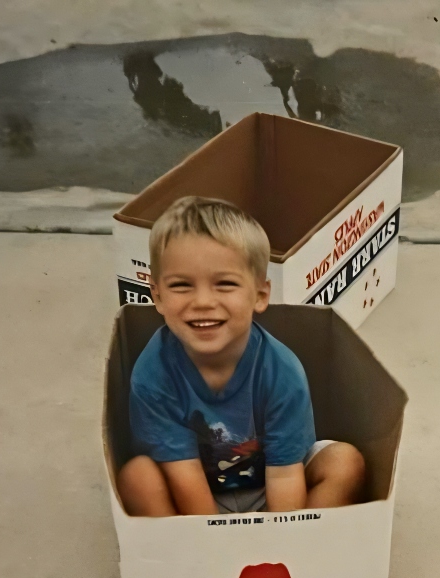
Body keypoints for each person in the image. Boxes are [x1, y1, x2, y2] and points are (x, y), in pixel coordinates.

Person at [117, 196, 365, 516]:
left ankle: (301, 545)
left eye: (225, 284)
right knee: (136, 477)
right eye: (181, 285)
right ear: (158, 297)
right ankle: (193, 558)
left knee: (346, 462)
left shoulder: (281, 371)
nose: (203, 301)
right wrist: (219, 545)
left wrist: (279, 540)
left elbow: (286, 472)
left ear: (260, 295)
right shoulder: (154, 374)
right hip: (196, 498)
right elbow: (183, 474)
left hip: (274, 486)